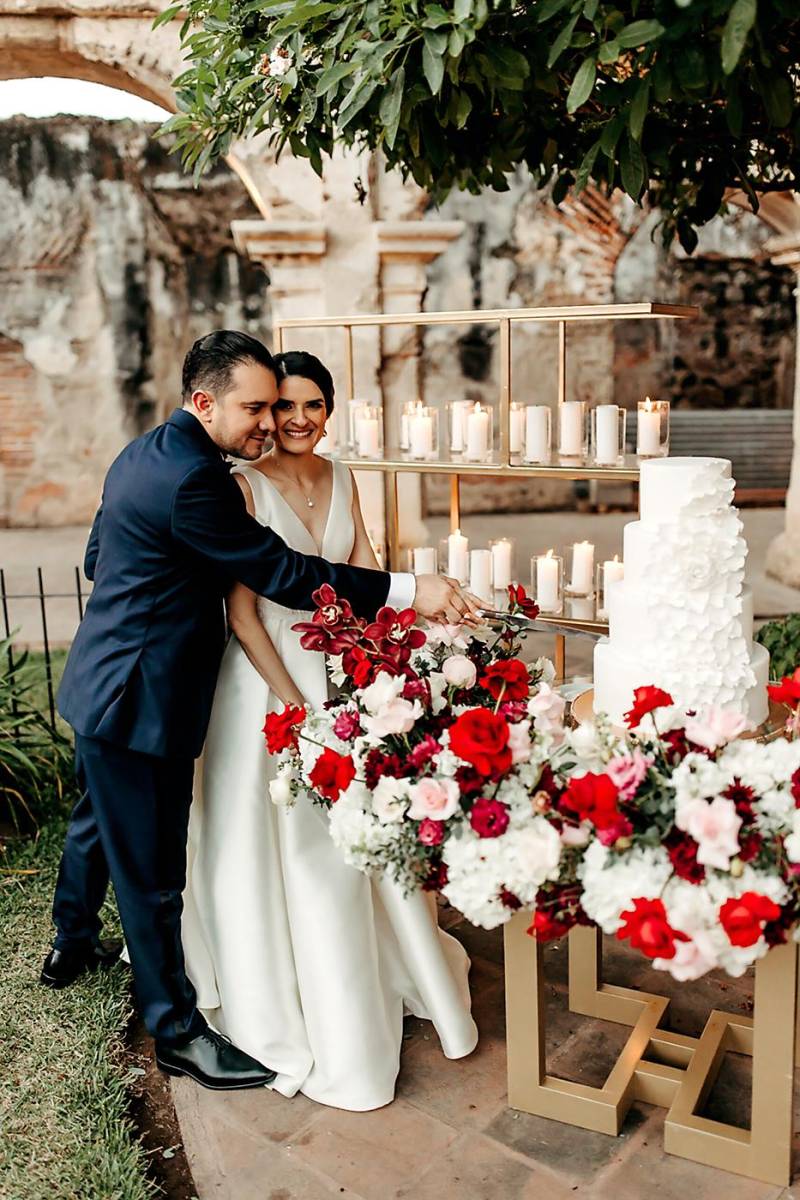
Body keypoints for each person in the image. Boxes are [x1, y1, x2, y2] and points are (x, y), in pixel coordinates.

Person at [41, 331, 479, 1092]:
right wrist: (410, 591)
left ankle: (70, 943)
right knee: (151, 874)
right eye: (253, 407)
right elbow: (278, 572)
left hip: (103, 681)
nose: (266, 422)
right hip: (138, 698)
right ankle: (176, 1031)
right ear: (204, 402)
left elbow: (95, 557)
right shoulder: (195, 480)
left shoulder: (142, 452)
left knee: (97, 822)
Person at [181, 350, 478, 1110]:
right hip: (266, 685)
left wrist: (386, 668)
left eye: (315, 404)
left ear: (331, 409)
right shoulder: (241, 488)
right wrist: (299, 713)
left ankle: (375, 973)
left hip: (343, 676)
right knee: (287, 846)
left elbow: (368, 580)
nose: (299, 419)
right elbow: (245, 617)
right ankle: (300, 1005)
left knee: (356, 839)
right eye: (283, 406)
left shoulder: (344, 477)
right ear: (264, 413)